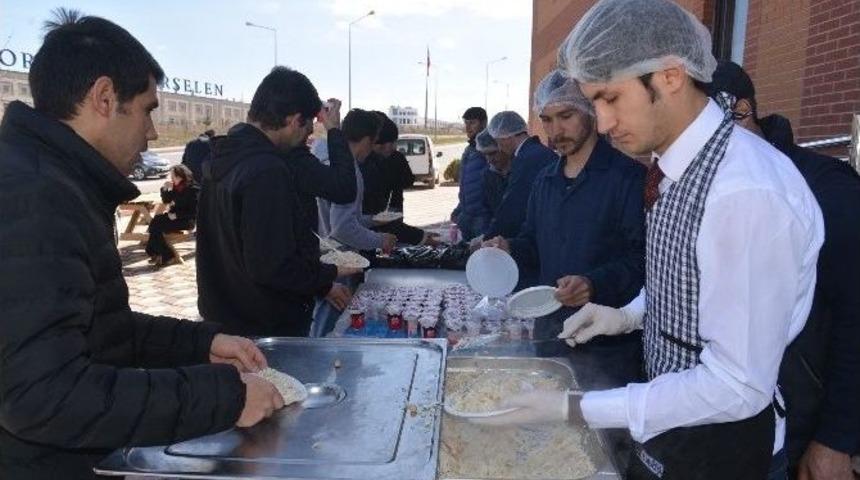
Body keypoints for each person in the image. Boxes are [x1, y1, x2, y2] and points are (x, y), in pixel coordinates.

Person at [480, 2, 825, 480]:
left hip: (725, 449)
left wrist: (575, 408)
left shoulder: (744, 191)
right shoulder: (674, 168)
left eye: (610, 98)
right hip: (673, 426)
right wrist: (627, 315)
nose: (601, 123)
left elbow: (737, 385)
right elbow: (692, 280)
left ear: (669, 76)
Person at [0, 11, 282, 479]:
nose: (152, 132)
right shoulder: (33, 196)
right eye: (148, 109)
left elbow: (101, 329)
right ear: (105, 98)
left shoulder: (57, 180)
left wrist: (202, 343)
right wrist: (225, 397)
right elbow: (42, 395)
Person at [711, 60, 860, 480]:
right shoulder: (722, 189)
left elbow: (856, 317)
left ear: (740, 111)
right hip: (742, 427)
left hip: (806, 431)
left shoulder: (827, 190)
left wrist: (836, 438)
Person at [484, 69, 646, 379]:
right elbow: (533, 242)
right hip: (550, 334)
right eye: (546, 119)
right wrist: (509, 247)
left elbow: (644, 261)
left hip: (607, 345)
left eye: (566, 116)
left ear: (590, 111)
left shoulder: (626, 178)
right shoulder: (545, 180)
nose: (555, 130)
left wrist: (593, 283)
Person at [196, 67, 361, 338]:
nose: (306, 139)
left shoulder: (223, 153)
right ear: (295, 120)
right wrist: (328, 274)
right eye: (307, 129)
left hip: (225, 318)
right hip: (265, 326)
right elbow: (273, 266)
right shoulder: (267, 169)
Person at [317, 109, 398, 254]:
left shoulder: (325, 160)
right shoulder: (349, 172)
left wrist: (372, 220)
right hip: (339, 260)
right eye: (373, 142)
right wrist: (381, 240)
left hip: (321, 255)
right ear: (367, 140)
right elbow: (342, 228)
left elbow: (345, 218)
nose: (372, 149)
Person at [483, 110, 557, 240]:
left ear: (506, 136)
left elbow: (513, 207)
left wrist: (488, 238)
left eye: (498, 141)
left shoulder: (527, 160)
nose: (500, 148)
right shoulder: (539, 152)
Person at [145, 164, 200, 266]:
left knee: (156, 226)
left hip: (186, 221)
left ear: (181, 176)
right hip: (173, 217)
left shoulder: (193, 189)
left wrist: (177, 215)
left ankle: (159, 253)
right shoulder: (176, 187)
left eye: (173, 176)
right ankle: (160, 254)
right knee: (156, 221)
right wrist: (165, 189)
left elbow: (194, 211)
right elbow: (166, 200)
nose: (172, 179)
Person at [450, 107, 492, 241]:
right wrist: (459, 209)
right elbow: (467, 185)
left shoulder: (490, 147)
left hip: (483, 218)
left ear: (484, 123)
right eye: (466, 123)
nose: (468, 127)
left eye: (472, 122)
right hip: (467, 216)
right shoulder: (470, 148)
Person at [474, 128, 510, 221]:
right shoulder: (488, 175)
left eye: (493, 153)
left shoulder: (519, 172)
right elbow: (485, 209)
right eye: (486, 155)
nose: (490, 159)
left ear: (504, 147)